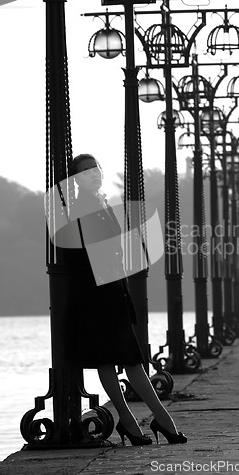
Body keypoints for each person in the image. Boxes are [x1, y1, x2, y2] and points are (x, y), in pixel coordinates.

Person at [62, 153, 187, 446]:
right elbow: (85, 254)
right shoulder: (82, 207)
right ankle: (145, 422)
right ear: (76, 180)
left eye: (96, 168)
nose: (93, 174)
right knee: (119, 359)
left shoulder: (101, 203)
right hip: (97, 295)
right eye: (85, 172)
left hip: (111, 291)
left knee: (127, 359)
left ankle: (144, 422)